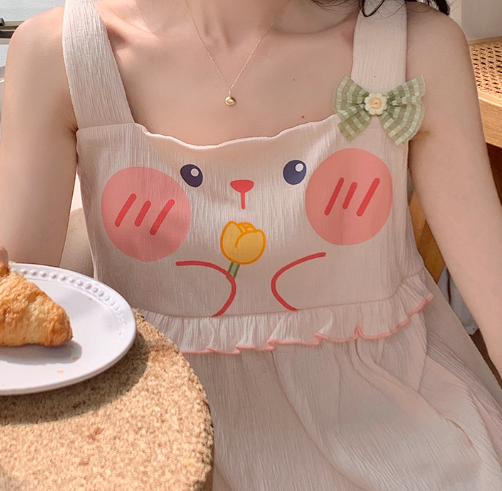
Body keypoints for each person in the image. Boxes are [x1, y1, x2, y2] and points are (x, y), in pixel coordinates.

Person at [1, 0, 502, 488]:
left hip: (403, 424)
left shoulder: (416, 49)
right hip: (150, 432)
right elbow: (14, 311)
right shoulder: (62, 53)